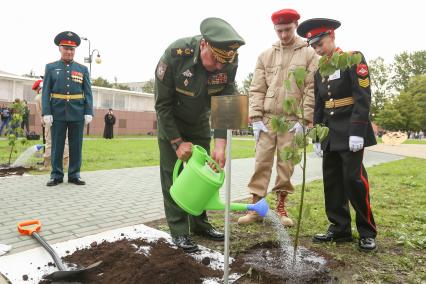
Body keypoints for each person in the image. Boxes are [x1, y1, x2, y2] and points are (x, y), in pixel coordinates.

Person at [154, 17, 245, 253]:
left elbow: (226, 103)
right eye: (215, 59)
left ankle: (200, 223)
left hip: (200, 122)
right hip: (171, 123)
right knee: (172, 175)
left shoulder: (229, 61)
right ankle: (179, 231)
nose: (218, 67)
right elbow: (162, 106)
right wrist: (177, 142)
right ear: (203, 44)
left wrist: (221, 144)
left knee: (206, 174)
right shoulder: (175, 55)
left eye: (224, 62)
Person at [297, 18, 377, 251]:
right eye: (313, 46)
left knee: (354, 180)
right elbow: (320, 105)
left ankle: (367, 231)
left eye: (320, 44)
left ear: (332, 36)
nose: (317, 50)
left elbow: (363, 96)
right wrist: (317, 137)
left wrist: (358, 130)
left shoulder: (353, 59)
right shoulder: (320, 69)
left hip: (351, 130)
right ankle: (339, 228)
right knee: (332, 182)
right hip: (330, 133)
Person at [238, 9, 318, 226]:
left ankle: (281, 208)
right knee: (261, 163)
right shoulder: (265, 55)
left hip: (292, 121)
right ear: (274, 29)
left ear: (296, 25)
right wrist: (255, 118)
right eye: (279, 30)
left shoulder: (310, 54)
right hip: (267, 119)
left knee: (286, 165)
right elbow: (256, 88)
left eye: (288, 29)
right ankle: (256, 207)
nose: (283, 35)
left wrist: (304, 120)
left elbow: (311, 89)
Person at [41, 31, 93, 186]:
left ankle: (74, 174)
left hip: (77, 112)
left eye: (72, 49)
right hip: (57, 112)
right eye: (66, 48)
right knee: (57, 145)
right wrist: (46, 112)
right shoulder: (51, 68)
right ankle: (56, 175)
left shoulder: (82, 69)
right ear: (60, 49)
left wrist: (88, 111)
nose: (69, 52)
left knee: (76, 145)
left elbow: (88, 92)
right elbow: (46, 92)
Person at [33, 79, 69, 170]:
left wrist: (42, 119)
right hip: (61, 119)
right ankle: (66, 163)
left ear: (38, 88)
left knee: (49, 142)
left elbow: (40, 111)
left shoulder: (39, 97)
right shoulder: (55, 93)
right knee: (64, 140)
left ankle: (47, 165)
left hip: (48, 120)